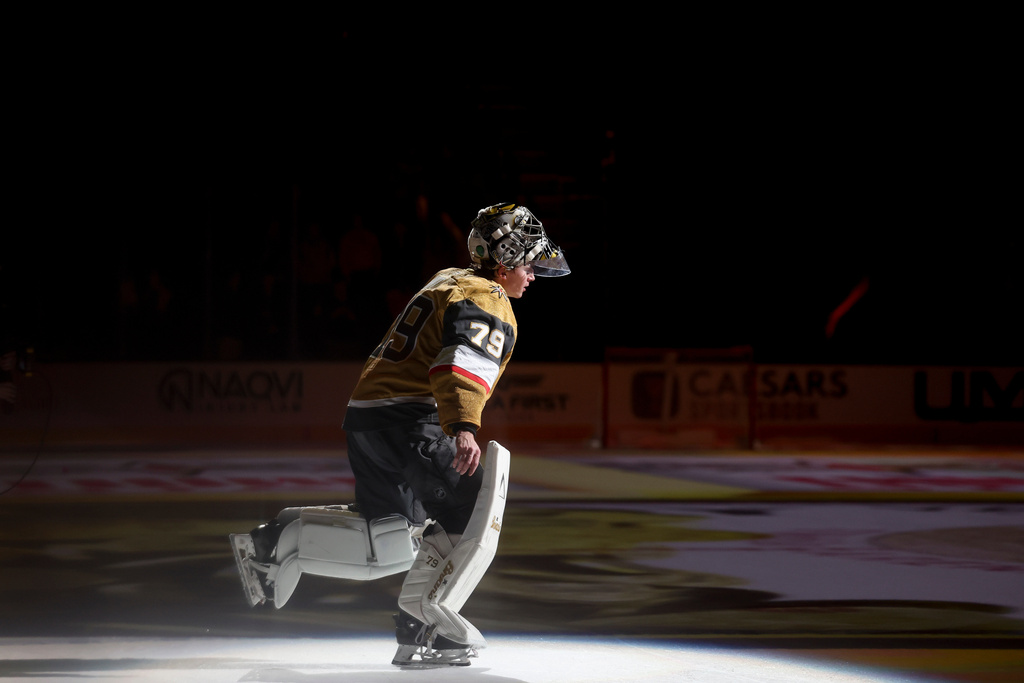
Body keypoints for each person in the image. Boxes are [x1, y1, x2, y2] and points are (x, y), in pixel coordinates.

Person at [230, 203, 569, 668]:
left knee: (386, 534)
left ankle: (275, 541)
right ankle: (426, 626)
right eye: (529, 264)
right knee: (471, 508)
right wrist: (464, 429)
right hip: (411, 421)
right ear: (506, 260)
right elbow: (459, 366)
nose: (532, 275)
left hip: (369, 417)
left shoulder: (447, 278)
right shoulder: (488, 300)